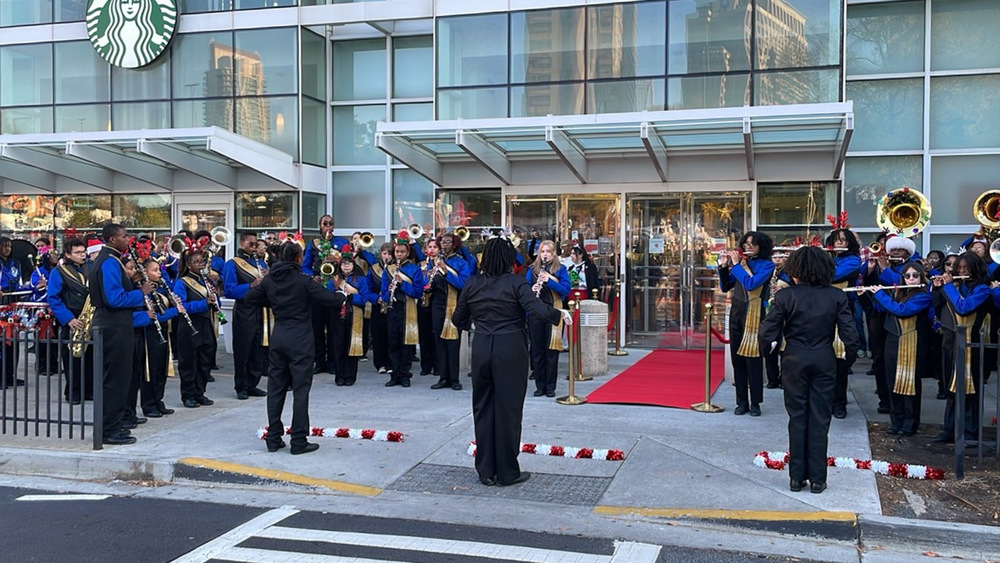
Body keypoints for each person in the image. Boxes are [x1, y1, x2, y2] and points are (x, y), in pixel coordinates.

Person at [452, 234, 573, 487]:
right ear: (509, 258)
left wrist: (477, 323)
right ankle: (507, 471)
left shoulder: (472, 284)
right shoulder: (516, 282)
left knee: (482, 407)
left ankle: (485, 470)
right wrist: (559, 314)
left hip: (482, 346)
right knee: (509, 410)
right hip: (510, 347)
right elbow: (535, 308)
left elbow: (458, 319)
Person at [758, 246, 858, 494]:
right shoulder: (836, 296)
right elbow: (850, 333)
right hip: (824, 357)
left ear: (796, 271)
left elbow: (768, 330)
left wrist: (768, 353)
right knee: (820, 419)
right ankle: (818, 479)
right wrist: (848, 358)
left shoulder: (785, 296)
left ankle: (796, 477)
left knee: (797, 417)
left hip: (794, 358)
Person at [245, 242, 346, 455]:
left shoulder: (270, 280)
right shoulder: (303, 280)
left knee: (276, 389)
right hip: (300, 339)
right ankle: (299, 440)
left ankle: (273, 438)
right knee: (300, 390)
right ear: (298, 259)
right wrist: (341, 293)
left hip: (279, 336)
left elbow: (250, 298)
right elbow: (331, 301)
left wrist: (274, 301)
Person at [89, 223, 153, 445]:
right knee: (115, 379)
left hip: (115, 324)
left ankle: (114, 424)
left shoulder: (111, 259)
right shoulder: (109, 261)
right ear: (112, 239)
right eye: (124, 236)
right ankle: (109, 429)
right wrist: (140, 293)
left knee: (120, 378)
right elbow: (114, 299)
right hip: (113, 325)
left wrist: (132, 282)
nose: (128, 240)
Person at [932, 252, 990, 444]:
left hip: (970, 342)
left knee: (970, 389)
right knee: (951, 385)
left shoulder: (982, 289)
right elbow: (939, 308)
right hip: (950, 340)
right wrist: (938, 288)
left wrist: (949, 286)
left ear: (975, 269)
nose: (963, 271)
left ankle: (970, 433)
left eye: (967, 268)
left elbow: (963, 307)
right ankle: (950, 430)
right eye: (960, 268)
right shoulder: (957, 285)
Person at [869, 262, 932, 436]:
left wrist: (880, 294)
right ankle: (896, 421)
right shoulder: (897, 294)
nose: (911, 279)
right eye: (907, 276)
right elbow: (878, 308)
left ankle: (909, 423)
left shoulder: (923, 296)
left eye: (915, 275)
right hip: (892, 342)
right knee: (892, 382)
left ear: (921, 277)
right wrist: (866, 295)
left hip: (911, 342)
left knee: (909, 383)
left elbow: (901, 311)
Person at [719, 231, 775, 417]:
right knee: (738, 359)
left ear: (761, 246)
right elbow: (726, 286)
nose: (747, 246)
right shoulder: (742, 263)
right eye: (746, 243)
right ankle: (741, 401)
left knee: (753, 360)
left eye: (752, 244)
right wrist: (723, 267)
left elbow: (751, 284)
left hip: (754, 314)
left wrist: (736, 265)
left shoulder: (767, 265)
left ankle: (756, 402)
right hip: (737, 313)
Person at [222, 232, 270, 400]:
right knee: (243, 349)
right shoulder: (232, 264)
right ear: (242, 243)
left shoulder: (261, 263)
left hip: (260, 309)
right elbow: (229, 290)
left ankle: (252, 384)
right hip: (244, 309)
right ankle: (241, 386)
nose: (254, 247)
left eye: (256, 244)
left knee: (258, 349)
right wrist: (251, 285)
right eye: (251, 244)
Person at [46, 238, 93, 404]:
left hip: (91, 317)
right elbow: (53, 298)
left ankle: (89, 390)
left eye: (83, 252)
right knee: (72, 358)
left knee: (91, 357)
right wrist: (68, 319)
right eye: (77, 252)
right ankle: (73, 392)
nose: (82, 255)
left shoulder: (91, 268)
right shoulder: (58, 272)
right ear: (67, 254)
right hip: (72, 317)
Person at [303, 215, 350, 375]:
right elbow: (305, 266)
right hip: (317, 289)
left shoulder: (342, 243)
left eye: (331, 224)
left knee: (333, 327)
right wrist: (312, 276)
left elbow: (349, 262)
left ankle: (332, 362)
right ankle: (319, 361)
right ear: (320, 226)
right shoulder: (313, 244)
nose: (328, 226)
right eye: (325, 224)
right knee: (317, 327)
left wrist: (338, 259)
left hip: (334, 288)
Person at [174, 247, 218, 409]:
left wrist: (214, 297)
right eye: (196, 262)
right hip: (189, 325)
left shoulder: (206, 281)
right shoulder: (182, 282)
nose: (200, 265)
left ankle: (200, 392)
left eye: (202, 262)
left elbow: (215, 302)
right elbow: (182, 306)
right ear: (188, 264)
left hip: (206, 323)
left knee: (205, 360)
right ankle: (188, 395)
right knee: (189, 361)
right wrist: (204, 303)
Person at [526, 240, 571, 398]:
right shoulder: (532, 270)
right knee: (537, 351)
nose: (545, 255)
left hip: (554, 312)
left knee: (551, 351)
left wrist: (549, 281)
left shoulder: (561, 269)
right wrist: (532, 289)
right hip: (536, 314)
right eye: (542, 252)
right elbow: (523, 290)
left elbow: (566, 291)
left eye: (548, 252)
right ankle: (540, 386)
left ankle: (550, 386)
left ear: (553, 254)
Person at [827, 228, 862, 419]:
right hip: (822, 312)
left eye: (843, 240)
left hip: (842, 313)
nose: (839, 243)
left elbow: (831, 275)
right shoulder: (828, 258)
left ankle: (839, 403)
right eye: (836, 240)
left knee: (839, 361)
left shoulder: (853, 260)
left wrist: (817, 265)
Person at [381, 231, 424, 387]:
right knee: (393, 342)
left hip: (408, 308)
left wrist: (402, 284)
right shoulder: (388, 269)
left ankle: (405, 375)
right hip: (393, 308)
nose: (399, 254)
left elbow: (418, 292)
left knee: (406, 344)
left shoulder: (414, 269)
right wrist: (389, 291)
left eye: (402, 252)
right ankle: (395, 374)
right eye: (397, 252)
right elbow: (383, 294)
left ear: (407, 253)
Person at [429, 232, 471, 391]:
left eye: (447, 242)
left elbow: (463, 284)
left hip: (455, 305)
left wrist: (446, 272)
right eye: (442, 242)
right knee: (439, 341)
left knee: (453, 343)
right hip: (438, 305)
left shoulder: (461, 263)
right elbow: (428, 283)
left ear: (454, 245)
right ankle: (443, 377)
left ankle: (454, 379)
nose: (444, 245)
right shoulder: (434, 261)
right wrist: (429, 280)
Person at [138, 259, 179, 418]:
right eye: (154, 270)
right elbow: (155, 316)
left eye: (159, 270)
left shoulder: (161, 287)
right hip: (151, 333)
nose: (159, 273)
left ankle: (158, 401)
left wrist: (173, 302)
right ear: (145, 272)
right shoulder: (144, 291)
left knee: (162, 368)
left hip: (163, 331)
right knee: (152, 370)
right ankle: (149, 404)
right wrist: (175, 311)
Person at [328, 246, 374, 386]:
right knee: (338, 345)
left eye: (348, 263)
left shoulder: (360, 280)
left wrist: (351, 297)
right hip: (338, 315)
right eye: (343, 263)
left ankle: (350, 376)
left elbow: (364, 297)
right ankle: (339, 375)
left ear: (354, 265)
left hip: (354, 315)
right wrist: (339, 298)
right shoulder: (334, 280)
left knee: (352, 345)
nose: (346, 266)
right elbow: (328, 296)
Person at [417, 238, 440, 377]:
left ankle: (437, 365)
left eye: (435, 247)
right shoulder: (421, 265)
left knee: (435, 334)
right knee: (424, 334)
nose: (432, 249)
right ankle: (425, 365)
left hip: (436, 300)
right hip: (423, 300)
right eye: (429, 246)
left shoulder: (441, 264)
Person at [370, 242, 393, 375]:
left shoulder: (396, 269)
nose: (387, 257)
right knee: (378, 335)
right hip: (377, 306)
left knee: (391, 335)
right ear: (380, 254)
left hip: (392, 305)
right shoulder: (373, 269)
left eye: (390, 254)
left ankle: (391, 362)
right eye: (385, 254)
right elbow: (367, 288)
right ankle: (380, 363)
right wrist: (375, 298)